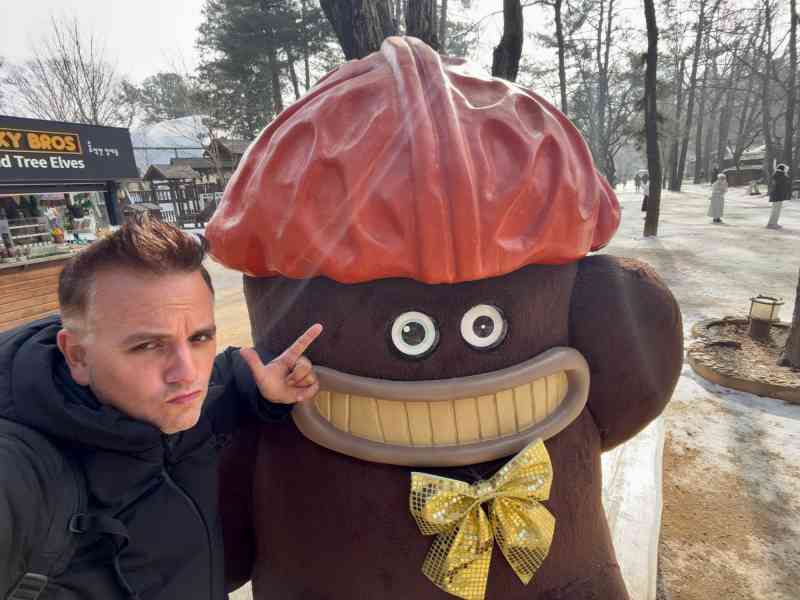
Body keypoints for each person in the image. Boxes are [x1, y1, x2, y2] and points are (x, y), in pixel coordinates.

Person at [0, 215, 322, 599]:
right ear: (78, 357)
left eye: (200, 337)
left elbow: (226, 375)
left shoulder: (180, 401)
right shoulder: (26, 469)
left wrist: (263, 391)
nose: (187, 375)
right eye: (148, 346)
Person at [767, 163, 791, 229]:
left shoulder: (778, 174)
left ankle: (773, 223)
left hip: (777, 195)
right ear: (782, 169)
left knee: (776, 210)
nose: (787, 170)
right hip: (777, 195)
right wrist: (785, 173)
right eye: (786, 169)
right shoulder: (779, 175)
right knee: (776, 210)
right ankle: (772, 224)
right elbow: (784, 182)